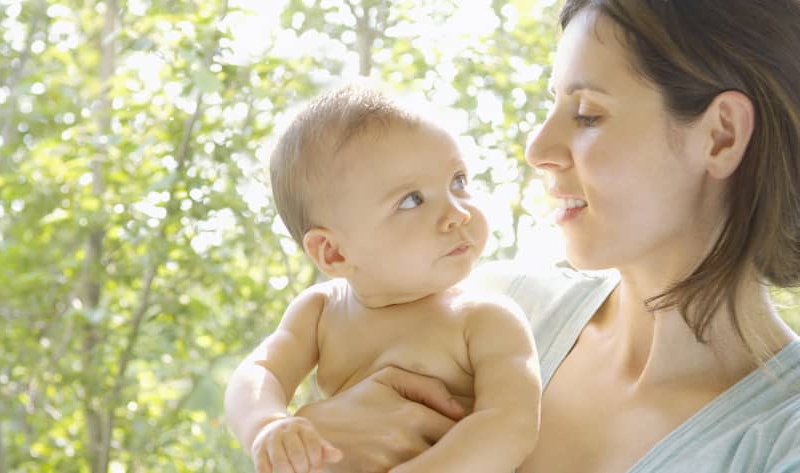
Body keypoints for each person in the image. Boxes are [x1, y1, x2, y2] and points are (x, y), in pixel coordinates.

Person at [288, 1, 800, 472]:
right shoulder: (485, 306)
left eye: (588, 114)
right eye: (551, 105)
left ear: (721, 135)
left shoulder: (781, 440)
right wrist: (316, 434)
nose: (537, 148)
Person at [224, 86, 541, 473]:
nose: (458, 212)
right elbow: (259, 372)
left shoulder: (485, 319)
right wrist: (267, 425)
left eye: (458, 181)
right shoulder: (321, 312)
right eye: (412, 200)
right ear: (334, 253)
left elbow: (511, 424)